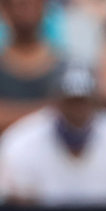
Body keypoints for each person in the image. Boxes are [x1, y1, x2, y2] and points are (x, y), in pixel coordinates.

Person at [0, 64, 106, 203]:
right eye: (70, 103)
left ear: (97, 103)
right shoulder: (21, 143)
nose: (77, 112)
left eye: (83, 103)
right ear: (54, 102)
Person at [0, 0, 63, 133]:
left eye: (32, 3)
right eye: (19, 4)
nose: (25, 10)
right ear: (4, 9)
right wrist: (48, 111)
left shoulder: (65, 66)